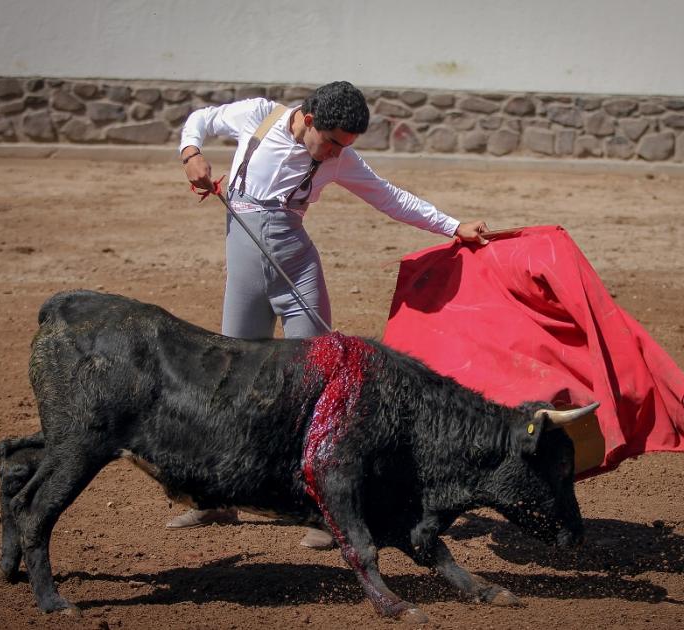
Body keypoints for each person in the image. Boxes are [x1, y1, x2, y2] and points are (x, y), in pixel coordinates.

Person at [169, 81, 489, 549]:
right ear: (311, 119)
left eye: (346, 146)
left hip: (295, 268)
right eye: (334, 141)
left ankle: (325, 511)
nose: (337, 153)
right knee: (232, 379)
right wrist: (190, 153)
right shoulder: (258, 115)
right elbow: (200, 119)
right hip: (246, 268)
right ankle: (218, 496)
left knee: (316, 381)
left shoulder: (340, 158)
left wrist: (453, 225)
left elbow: (388, 196)